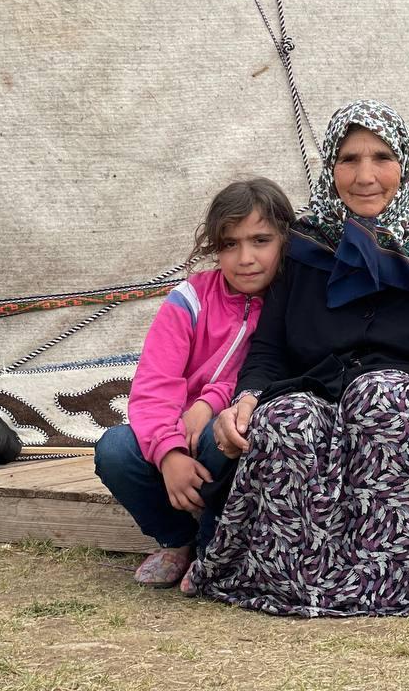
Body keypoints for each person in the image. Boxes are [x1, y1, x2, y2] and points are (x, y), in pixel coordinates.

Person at [185, 100, 409, 616]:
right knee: (285, 419)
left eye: (381, 157)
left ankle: (408, 574)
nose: (365, 176)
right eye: (348, 159)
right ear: (330, 167)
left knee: (378, 397)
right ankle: (299, 579)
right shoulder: (303, 247)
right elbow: (270, 348)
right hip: (317, 391)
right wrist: (248, 398)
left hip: (406, 397)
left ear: (403, 164)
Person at [94, 177, 293, 588]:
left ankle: (211, 547)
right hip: (171, 429)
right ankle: (176, 540)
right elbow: (154, 384)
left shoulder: (290, 305)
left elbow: (263, 374)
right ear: (214, 247)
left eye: (261, 241)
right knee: (115, 450)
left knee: (231, 437)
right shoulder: (190, 299)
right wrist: (169, 453)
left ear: (285, 240)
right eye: (230, 244)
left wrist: (209, 402)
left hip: (226, 434)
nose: (246, 258)